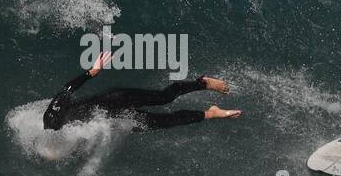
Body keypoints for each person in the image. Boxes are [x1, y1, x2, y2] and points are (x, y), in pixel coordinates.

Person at [43, 50, 241, 132]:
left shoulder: (53, 114)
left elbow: (67, 89)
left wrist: (92, 72)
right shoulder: (65, 134)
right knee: (161, 122)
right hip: (118, 116)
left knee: (165, 98)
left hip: (117, 99)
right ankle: (210, 113)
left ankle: (202, 83)